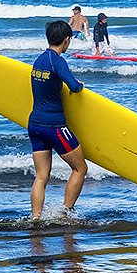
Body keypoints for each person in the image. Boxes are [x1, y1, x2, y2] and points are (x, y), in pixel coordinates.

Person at [28, 20, 88, 219]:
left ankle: (35, 218)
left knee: (41, 176)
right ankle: (65, 212)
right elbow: (74, 86)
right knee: (80, 168)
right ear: (66, 40)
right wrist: (79, 84)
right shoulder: (57, 60)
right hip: (54, 126)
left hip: (35, 125)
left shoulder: (39, 60)